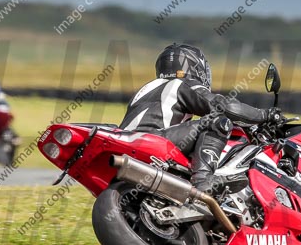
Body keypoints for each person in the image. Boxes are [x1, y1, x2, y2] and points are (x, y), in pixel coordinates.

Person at [119, 43, 281, 194]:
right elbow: (224, 107)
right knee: (218, 122)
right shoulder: (180, 83)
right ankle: (203, 181)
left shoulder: (145, 89)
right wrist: (266, 115)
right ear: (196, 67)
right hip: (154, 139)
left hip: (128, 143)